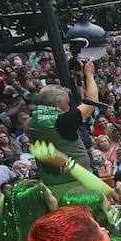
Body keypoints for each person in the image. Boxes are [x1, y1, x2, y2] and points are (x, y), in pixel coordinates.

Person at [25, 62, 98, 197]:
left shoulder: (30, 122)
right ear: (58, 103)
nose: (69, 107)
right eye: (67, 103)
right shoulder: (62, 121)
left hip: (52, 184)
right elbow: (92, 102)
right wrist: (89, 74)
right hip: (76, 184)